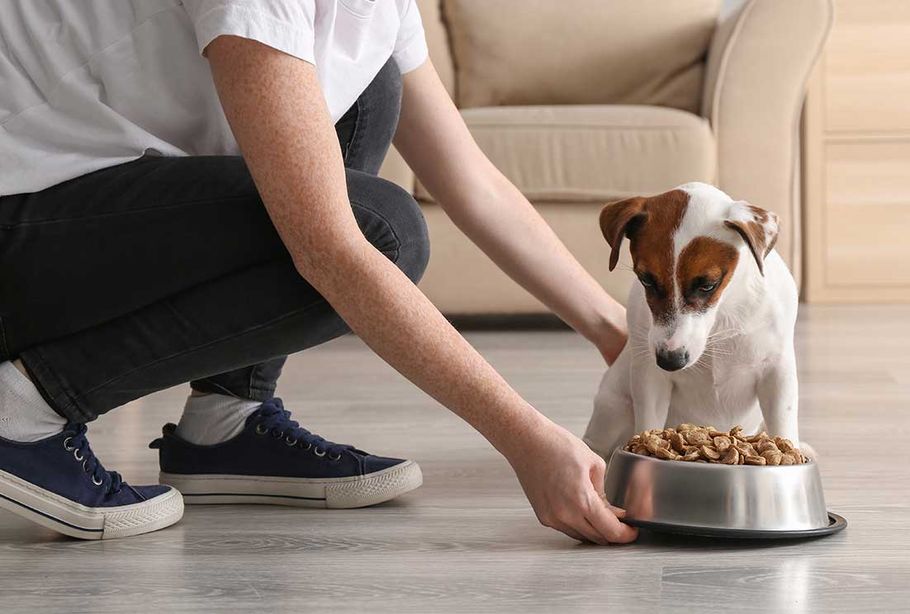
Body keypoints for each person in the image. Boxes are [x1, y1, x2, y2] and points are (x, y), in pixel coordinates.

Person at [0, 0, 637, 544]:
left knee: (373, 84)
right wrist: (526, 439)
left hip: (75, 199)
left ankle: (227, 422)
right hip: (19, 218)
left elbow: (472, 183)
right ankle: (20, 414)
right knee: (383, 234)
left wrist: (617, 332)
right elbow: (330, 250)